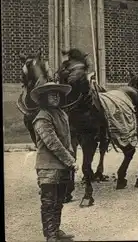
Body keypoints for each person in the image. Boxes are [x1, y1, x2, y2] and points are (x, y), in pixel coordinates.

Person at [30, 82, 77, 241]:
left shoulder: (62, 114)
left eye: (57, 94)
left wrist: (70, 161)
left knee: (59, 201)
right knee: (49, 202)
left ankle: (56, 230)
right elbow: (53, 143)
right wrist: (71, 160)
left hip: (63, 166)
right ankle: (50, 235)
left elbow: (67, 141)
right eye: (51, 95)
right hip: (48, 167)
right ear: (44, 98)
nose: (55, 97)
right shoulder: (42, 117)